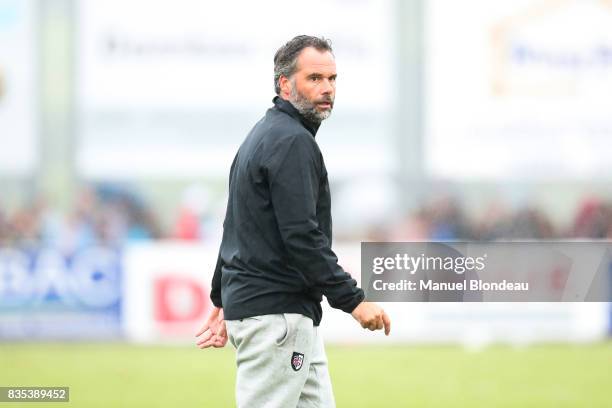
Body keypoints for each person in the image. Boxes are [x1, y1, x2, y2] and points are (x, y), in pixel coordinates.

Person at [196, 35, 391, 408]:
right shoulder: (291, 142)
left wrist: (222, 297)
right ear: (284, 84)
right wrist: (354, 302)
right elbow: (302, 237)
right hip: (277, 320)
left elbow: (235, 224)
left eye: (332, 79)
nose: (327, 89)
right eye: (314, 78)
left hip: (284, 317)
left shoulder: (263, 135)